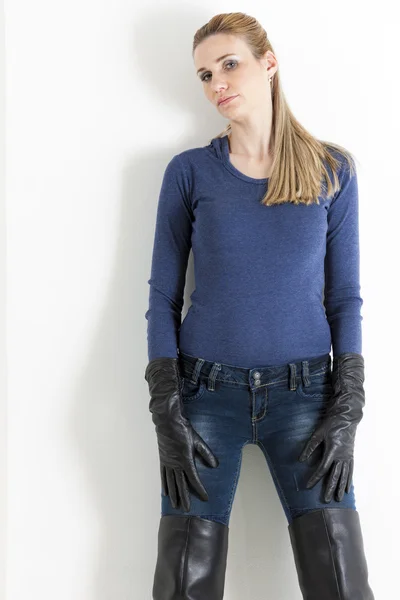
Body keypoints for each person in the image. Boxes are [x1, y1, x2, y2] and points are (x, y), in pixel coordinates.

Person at [144, 11, 375, 600]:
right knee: (182, 583)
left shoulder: (331, 170)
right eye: (203, 74)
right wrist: (165, 406)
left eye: (229, 64)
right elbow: (163, 297)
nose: (217, 83)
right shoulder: (190, 173)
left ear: (268, 64)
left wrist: (347, 405)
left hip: (306, 397)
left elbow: (345, 298)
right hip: (203, 397)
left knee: (340, 582)